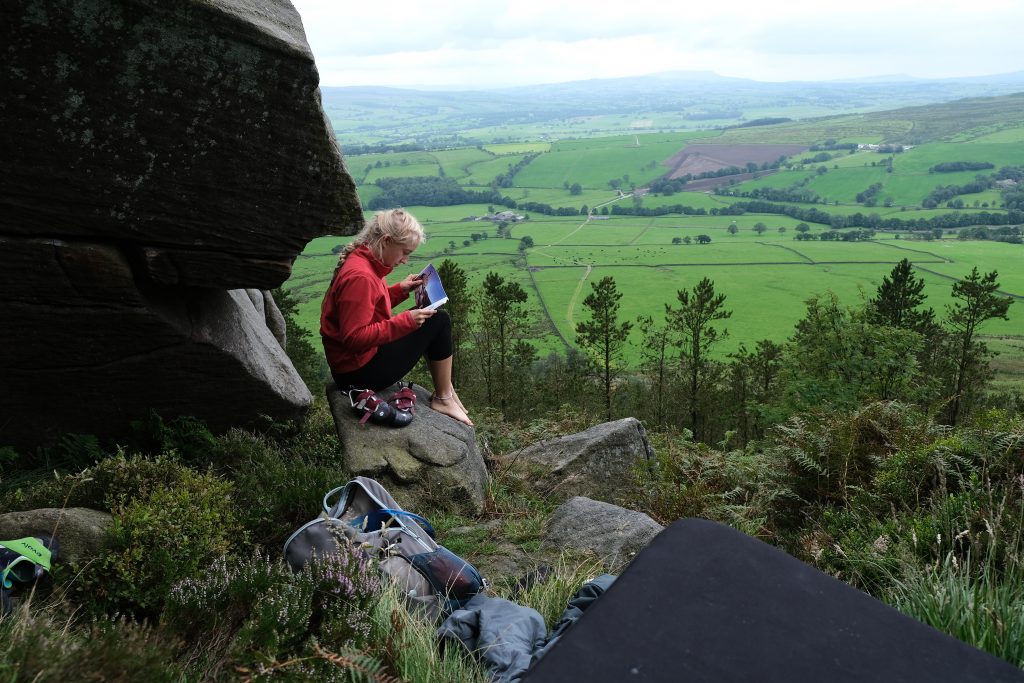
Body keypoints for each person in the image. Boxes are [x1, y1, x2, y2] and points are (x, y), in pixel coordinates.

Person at [321, 209, 472, 425]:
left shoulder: (366, 262)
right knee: (439, 321)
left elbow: (369, 306)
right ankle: (444, 397)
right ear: (386, 241)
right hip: (358, 373)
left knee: (433, 319)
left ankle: (446, 391)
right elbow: (353, 338)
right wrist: (406, 322)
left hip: (355, 364)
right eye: (404, 252)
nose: (405, 260)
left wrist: (401, 290)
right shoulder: (361, 276)